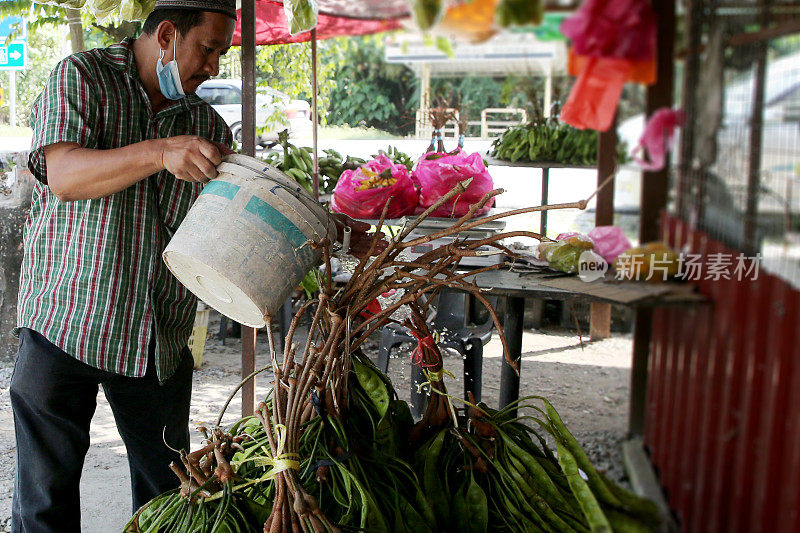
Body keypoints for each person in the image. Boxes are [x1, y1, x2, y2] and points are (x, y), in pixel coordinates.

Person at [9, 1, 377, 530]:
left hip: (155, 335)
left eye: (222, 54)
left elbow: (246, 212)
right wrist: (160, 153)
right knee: (44, 501)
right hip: (66, 322)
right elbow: (64, 175)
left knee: (169, 499)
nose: (214, 68)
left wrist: (335, 232)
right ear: (166, 34)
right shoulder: (82, 77)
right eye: (208, 49)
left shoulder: (204, 124)